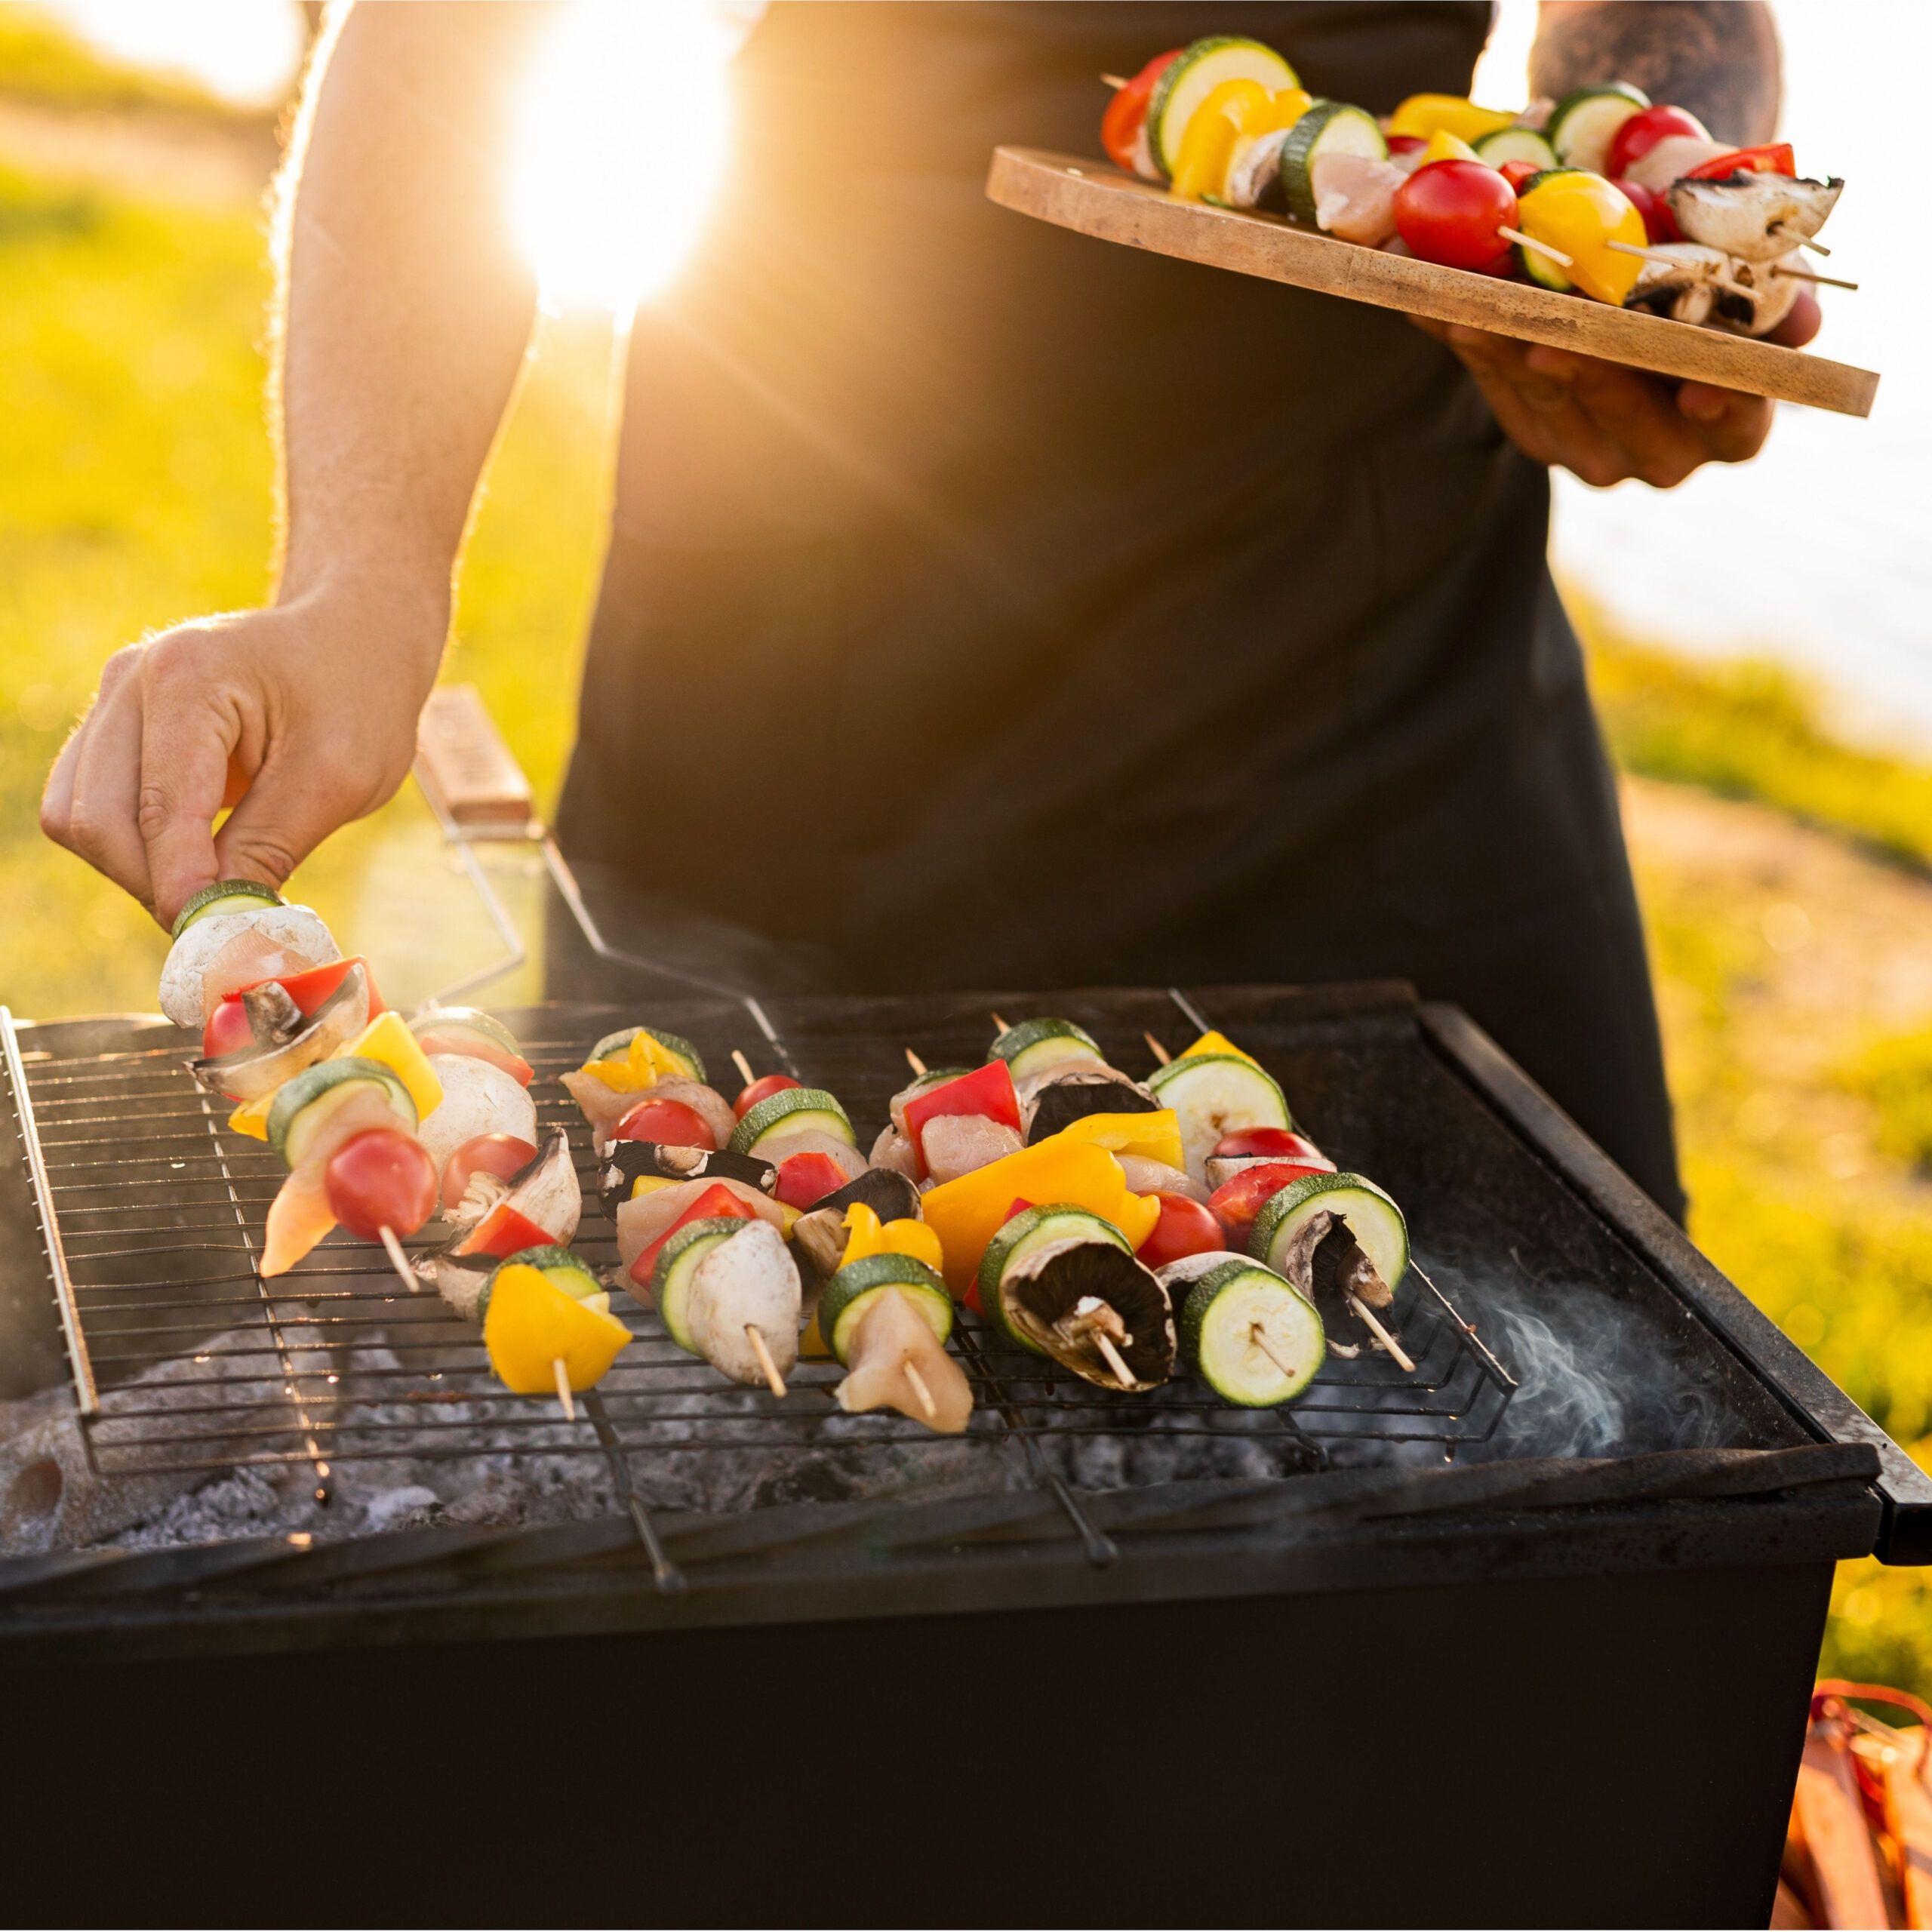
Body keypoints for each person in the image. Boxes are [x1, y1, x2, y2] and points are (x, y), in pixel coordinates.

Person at [40, 2, 1814, 1222]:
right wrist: (358, 582)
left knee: (1570, 1582)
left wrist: (1661, 232)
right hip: (804, 672)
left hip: (1385, 667)